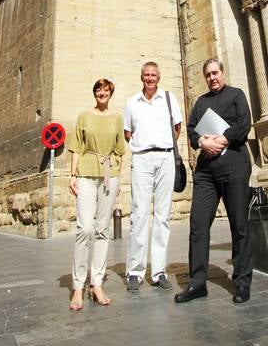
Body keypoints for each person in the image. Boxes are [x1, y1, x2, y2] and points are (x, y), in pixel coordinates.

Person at [175, 58, 252, 305]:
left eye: (215, 73)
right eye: (208, 74)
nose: (212, 78)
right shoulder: (201, 102)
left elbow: (243, 125)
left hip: (234, 165)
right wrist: (201, 142)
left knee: (239, 223)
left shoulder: (237, 95)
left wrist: (222, 140)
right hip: (206, 171)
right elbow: (191, 130)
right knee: (198, 224)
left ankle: (242, 282)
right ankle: (198, 282)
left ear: (223, 73)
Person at [124, 61, 182, 292]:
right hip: (142, 158)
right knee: (139, 214)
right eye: (146, 75)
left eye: (153, 75)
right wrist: (144, 145)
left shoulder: (168, 99)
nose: (150, 78)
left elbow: (177, 127)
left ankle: (158, 272)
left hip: (166, 157)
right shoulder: (132, 102)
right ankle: (135, 272)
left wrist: (164, 144)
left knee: (162, 215)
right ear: (141, 77)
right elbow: (128, 133)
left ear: (159, 77)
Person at [67, 78, 125, 310]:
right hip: (86, 175)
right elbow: (76, 147)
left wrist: (118, 177)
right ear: (95, 93)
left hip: (109, 176)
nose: (102, 93)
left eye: (106, 90)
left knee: (102, 229)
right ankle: (78, 286)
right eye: (99, 90)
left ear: (111, 93)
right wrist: (72, 175)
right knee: (85, 229)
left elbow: (120, 150)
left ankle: (97, 284)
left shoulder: (116, 118)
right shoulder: (84, 116)